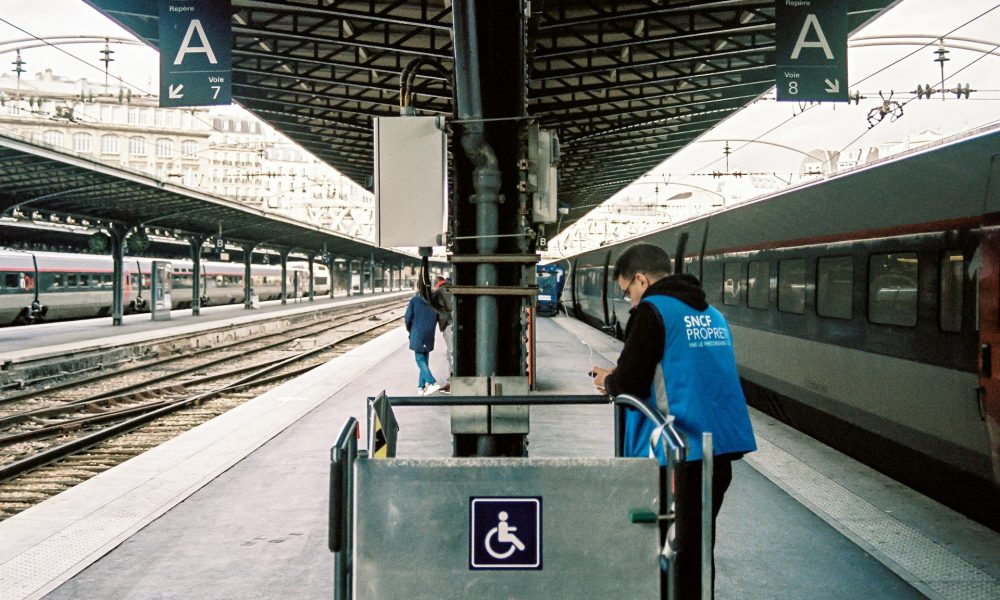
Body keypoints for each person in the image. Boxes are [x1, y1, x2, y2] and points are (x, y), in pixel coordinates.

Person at [590, 243, 756, 599]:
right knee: (697, 548)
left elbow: (631, 382)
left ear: (641, 280)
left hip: (680, 451)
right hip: (719, 451)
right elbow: (682, 369)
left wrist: (609, 381)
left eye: (627, 292)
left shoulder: (652, 310)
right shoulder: (710, 313)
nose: (630, 302)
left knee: (673, 551)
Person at [404, 290, 440, 396]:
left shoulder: (415, 300)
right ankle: (421, 387)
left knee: (419, 360)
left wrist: (410, 328)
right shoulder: (434, 302)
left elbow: (407, 317)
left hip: (418, 333)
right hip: (429, 334)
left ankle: (432, 382)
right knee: (424, 360)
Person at [431, 275, 454, 393]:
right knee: (451, 353)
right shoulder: (450, 286)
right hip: (454, 323)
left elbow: (446, 309)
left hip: (449, 325)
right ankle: (452, 381)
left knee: (451, 354)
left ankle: (453, 384)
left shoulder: (440, 291)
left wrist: (443, 323)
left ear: (436, 284)